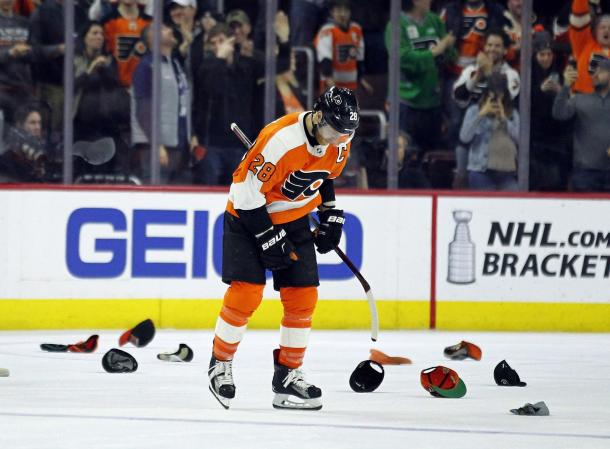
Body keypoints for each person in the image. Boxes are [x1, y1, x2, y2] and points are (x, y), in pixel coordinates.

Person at [207, 86, 360, 411]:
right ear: (319, 116)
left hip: (294, 217)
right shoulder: (280, 140)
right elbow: (246, 191)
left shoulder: (340, 138)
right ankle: (220, 363)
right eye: (334, 131)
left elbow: (325, 175)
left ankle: (288, 376)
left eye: (344, 134)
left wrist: (329, 211)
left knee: (303, 295)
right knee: (247, 292)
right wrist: (266, 235)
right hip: (249, 216)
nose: (338, 140)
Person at [192, 23, 262, 185]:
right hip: (212, 143)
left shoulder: (244, 67)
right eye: (214, 43)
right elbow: (210, 87)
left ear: (232, 41)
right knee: (210, 188)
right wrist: (219, 60)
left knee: (238, 192)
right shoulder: (207, 66)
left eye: (221, 41)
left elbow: (268, 68)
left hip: (240, 142)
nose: (218, 46)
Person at [384, 0, 456, 155]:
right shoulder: (396, 25)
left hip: (432, 101)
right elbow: (403, 58)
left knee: (433, 156)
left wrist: (448, 49)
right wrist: (434, 52)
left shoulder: (435, 21)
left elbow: (450, 53)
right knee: (406, 155)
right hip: (406, 103)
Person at [133, 24, 194, 183]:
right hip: (158, 148)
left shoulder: (174, 63)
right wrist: (157, 144)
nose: (171, 30)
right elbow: (143, 111)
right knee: (156, 197)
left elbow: (181, 102)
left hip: (179, 144)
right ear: (152, 36)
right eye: (165, 28)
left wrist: (190, 134)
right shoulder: (146, 66)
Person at [553, 58, 610, 191]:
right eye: (592, 72)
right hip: (585, 173)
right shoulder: (579, 99)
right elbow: (559, 114)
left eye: (600, 72)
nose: (594, 75)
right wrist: (566, 86)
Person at [459, 72, 520, 191]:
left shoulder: (512, 114)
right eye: (493, 93)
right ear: (487, 92)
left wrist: (504, 118)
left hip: (506, 172)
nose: (496, 97)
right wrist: (481, 114)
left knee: (514, 197)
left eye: (500, 94)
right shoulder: (474, 111)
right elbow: (464, 137)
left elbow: (520, 140)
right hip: (480, 171)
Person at [529, 30, 571, 191]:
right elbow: (523, 107)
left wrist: (561, 91)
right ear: (535, 55)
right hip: (535, 142)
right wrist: (539, 91)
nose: (546, 58)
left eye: (548, 54)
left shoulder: (560, 74)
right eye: (542, 54)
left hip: (557, 141)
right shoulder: (528, 75)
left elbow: (569, 110)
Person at [314, 0, 371, 93]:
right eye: (339, 10)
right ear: (332, 12)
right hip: (331, 85)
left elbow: (359, 58)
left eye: (346, 10)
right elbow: (325, 60)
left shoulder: (356, 29)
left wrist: (361, 79)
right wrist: (331, 83)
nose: (343, 14)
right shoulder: (327, 31)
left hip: (351, 85)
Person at [569, 0, 610, 94]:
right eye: (602, 27)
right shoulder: (584, 45)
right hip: (583, 102)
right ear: (595, 31)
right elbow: (579, 15)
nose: (606, 30)